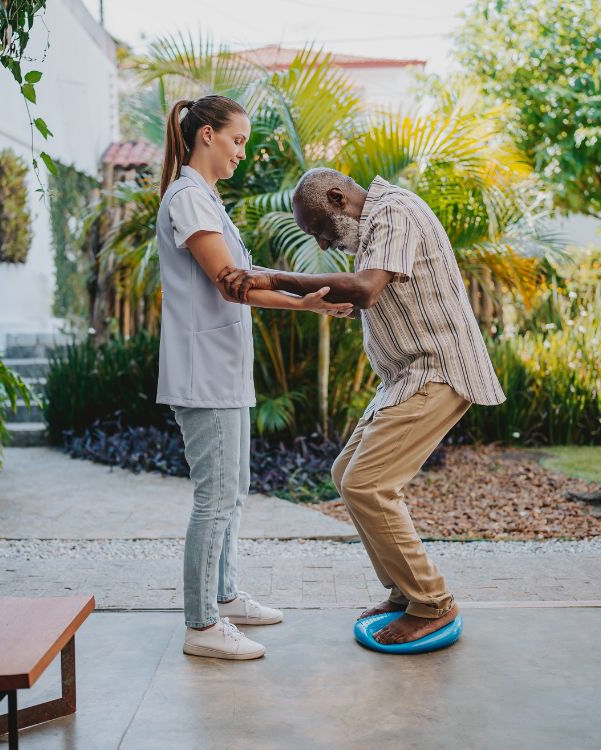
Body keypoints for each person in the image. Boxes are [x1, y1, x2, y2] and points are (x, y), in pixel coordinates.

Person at [219, 167, 506, 645]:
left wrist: (273, 277)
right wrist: (319, 300)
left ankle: (432, 601)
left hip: (436, 369)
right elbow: (373, 297)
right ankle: (403, 591)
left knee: (368, 484)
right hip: (407, 376)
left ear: (337, 197)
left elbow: (367, 288)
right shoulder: (375, 226)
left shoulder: (393, 212)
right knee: (345, 474)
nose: (324, 243)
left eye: (320, 230)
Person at [157, 101, 353, 660]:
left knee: (233, 490)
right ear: (207, 135)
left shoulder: (206, 198)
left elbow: (243, 276)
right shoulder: (188, 197)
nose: (243, 153)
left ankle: (224, 595)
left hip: (222, 370)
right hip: (203, 373)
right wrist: (305, 303)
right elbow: (230, 283)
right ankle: (202, 625)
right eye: (238, 140)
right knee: (215, 497)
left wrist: (307, 292)